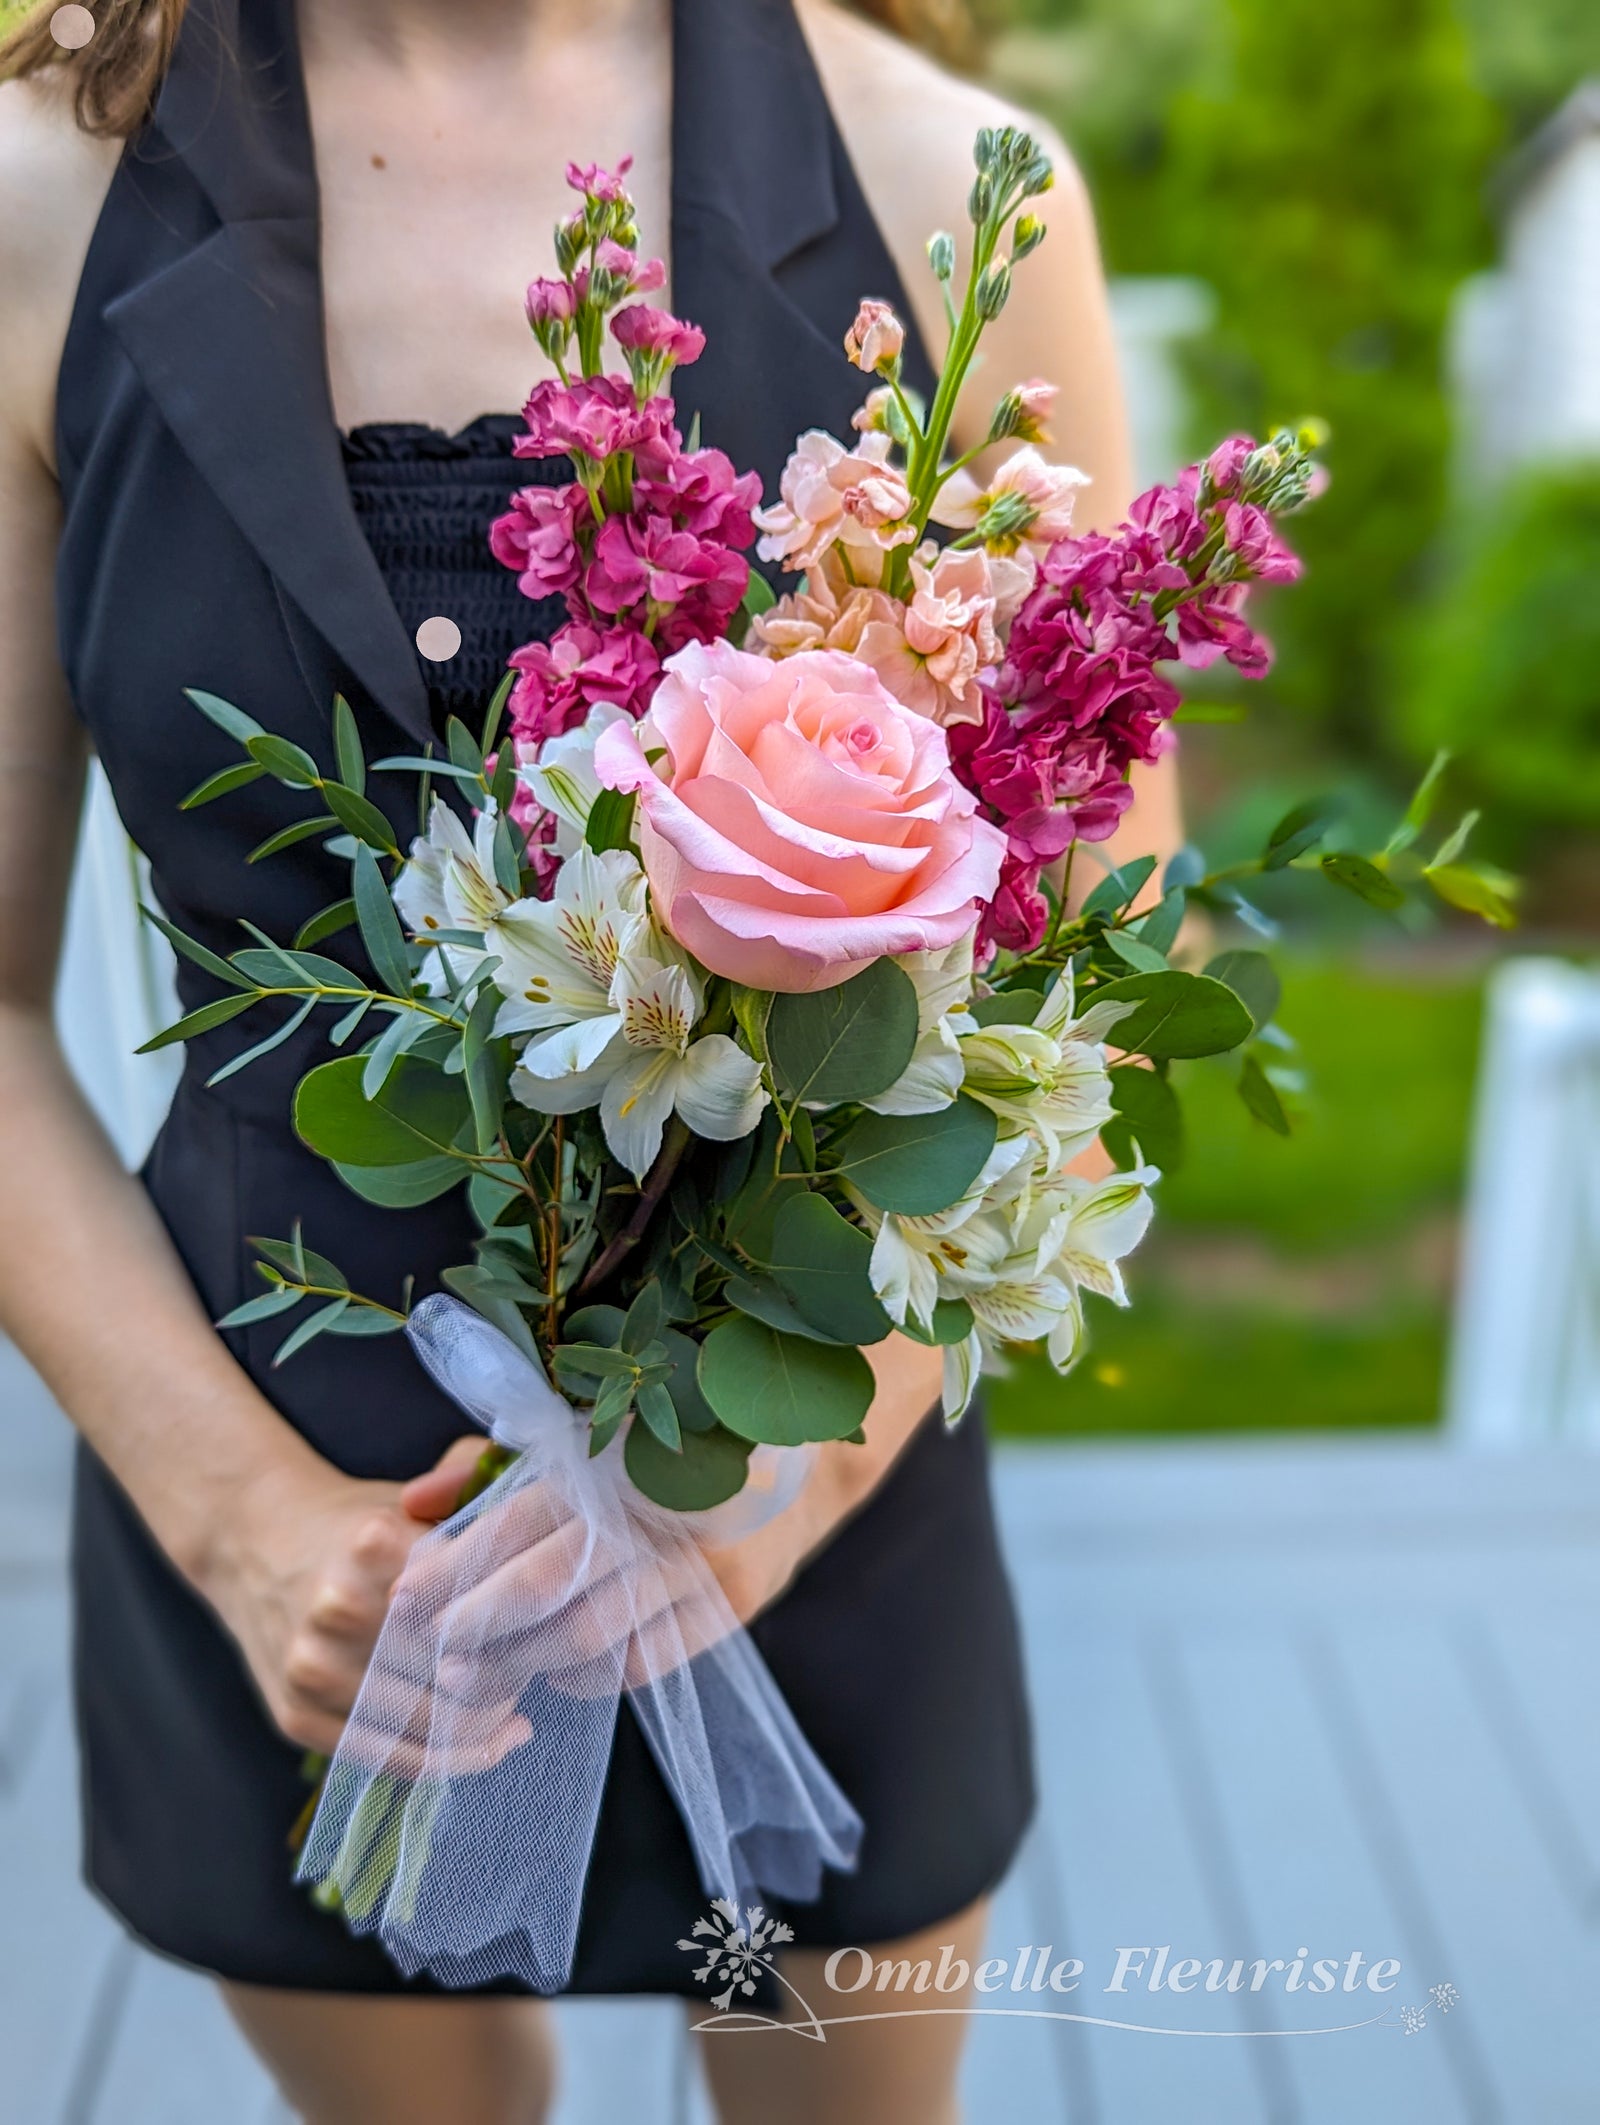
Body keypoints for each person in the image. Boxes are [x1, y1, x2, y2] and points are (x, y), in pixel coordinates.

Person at [0, 1, 1180, 2119]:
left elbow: (1098, 927)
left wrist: (785, 1481)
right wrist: (251, 1534)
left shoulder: (936, 185)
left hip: (801, 1468)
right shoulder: (32, 204)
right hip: (305, 1544)